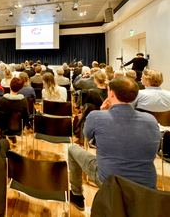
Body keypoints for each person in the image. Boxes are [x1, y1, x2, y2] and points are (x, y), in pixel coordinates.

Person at [68, 76, 161, 211]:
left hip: (109, 182)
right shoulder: (151, 119)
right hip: (147, 187)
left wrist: (102, 113)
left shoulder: (96, 116)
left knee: (73, 149)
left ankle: (76, 194)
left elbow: (88, 138)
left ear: (111, 93)